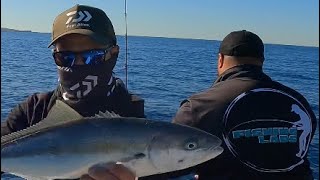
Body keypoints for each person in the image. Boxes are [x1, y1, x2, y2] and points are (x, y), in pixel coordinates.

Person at [1, 4, 143, 180]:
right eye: (65, 57)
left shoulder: (133, 118)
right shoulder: (33, 111)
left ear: (113, 54)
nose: (78, 65)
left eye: (93, 56)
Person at [171, 30, 318, 179]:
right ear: (262, 60)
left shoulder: (199, 107)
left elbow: (169, 164)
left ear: (220, 59)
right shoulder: (299, 102)